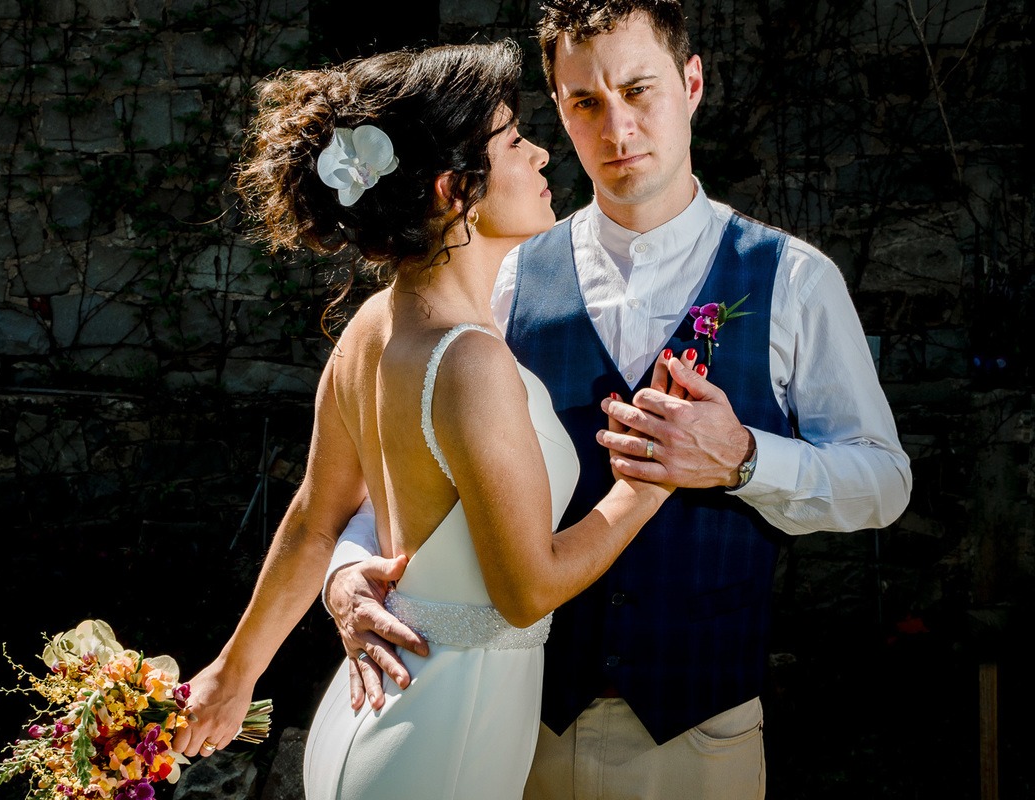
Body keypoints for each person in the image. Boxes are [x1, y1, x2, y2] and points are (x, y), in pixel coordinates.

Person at [323, 2, 914, 798]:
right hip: (515, 727)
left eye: (640, 91)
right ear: (559, 111)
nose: (618, 129)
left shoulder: (796, 280)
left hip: (701, 735)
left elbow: (883, 482)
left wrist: (744, 460)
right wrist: (349, 568)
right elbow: (410, 464)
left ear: (692, 82)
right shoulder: (501, 274)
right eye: (585, 103)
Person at [172, 40, 709, 800]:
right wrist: (647, 485)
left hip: (368, 725)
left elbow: (314, 523)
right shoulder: (470, 363)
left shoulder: (370, 329)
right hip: (441, 743)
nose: (542, 157)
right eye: (517, 142)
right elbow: (528, 591)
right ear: (457, 187)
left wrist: (234, 673)